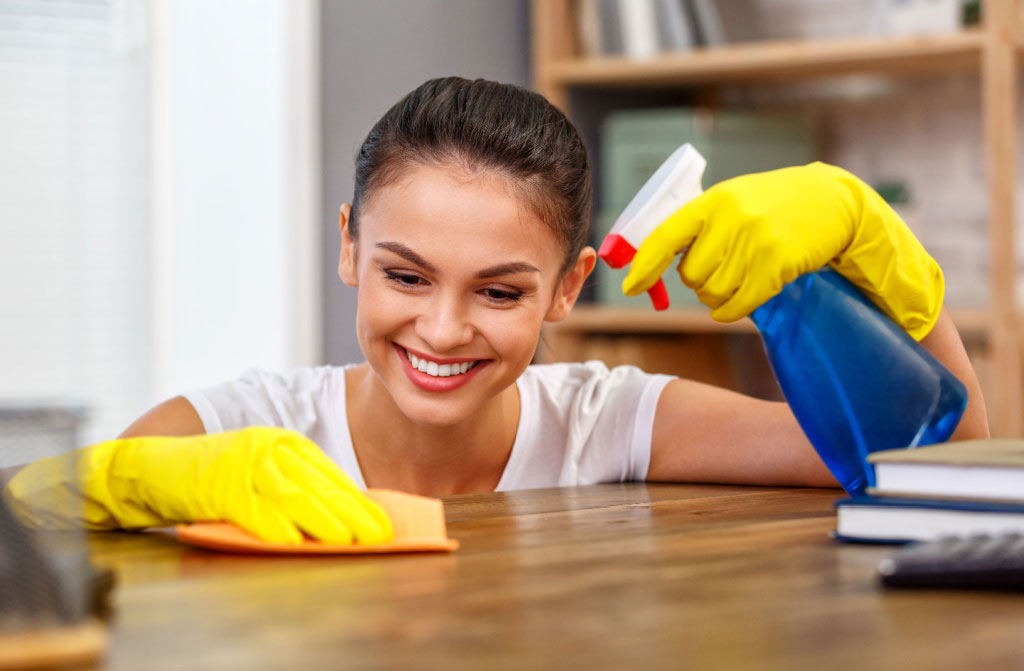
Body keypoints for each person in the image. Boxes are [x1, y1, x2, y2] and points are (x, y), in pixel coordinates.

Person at [3, 77, 989, 545]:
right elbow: (26, 530)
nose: (441, 328)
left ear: (567, 288)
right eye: (405, 275)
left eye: (501, 290)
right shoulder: (243, 426)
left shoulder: (606, 417)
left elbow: (940, 469)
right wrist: (132, 476)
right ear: (349, 244)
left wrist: (879, 253)